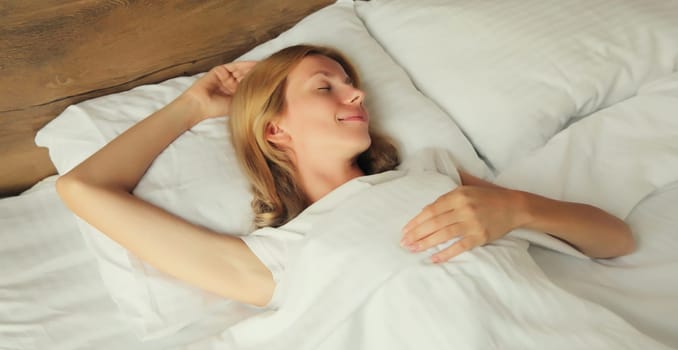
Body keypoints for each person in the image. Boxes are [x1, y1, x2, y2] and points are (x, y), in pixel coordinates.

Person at [56, 45, 635, 309]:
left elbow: (616, 239)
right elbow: (80, 189)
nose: (356, 92)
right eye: (324, 86)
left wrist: (519, 208)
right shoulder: (273, 261)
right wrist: (192, 107)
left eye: (349, 82)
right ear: (275, 130)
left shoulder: (431, 172)